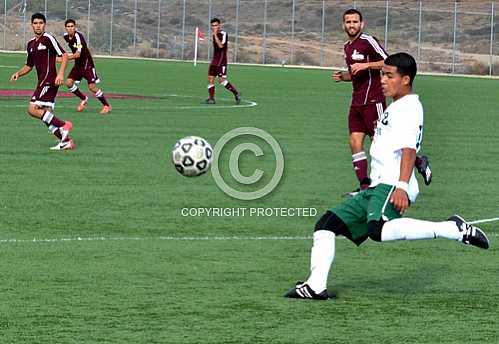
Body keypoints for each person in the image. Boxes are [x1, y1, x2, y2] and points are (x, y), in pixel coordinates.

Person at [285, 53, 489, 301]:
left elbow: (408, 149)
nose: (383, 80)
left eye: (389, 75)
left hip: (392, 183)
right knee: (326, 225)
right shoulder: (395, 106)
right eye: (382, 74)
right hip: (376, 185)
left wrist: (402, 186)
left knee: (377, 230)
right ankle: (316, 285)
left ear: (405, 80)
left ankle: (451, 229)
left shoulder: (410, 109)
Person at [333, 9, 432, 196]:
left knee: (381, 142)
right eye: (348, 22)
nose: (351, 25)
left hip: (374, 100)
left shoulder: (368, 41)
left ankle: (419, 162)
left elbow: (387, 61)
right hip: (357, 101)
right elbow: (357, 75)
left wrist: (366, 65)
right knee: (355, 142)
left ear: (362, 24)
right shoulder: (347, 46)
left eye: (355, 22)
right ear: (343, 25)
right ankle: (364, 187)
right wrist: (344, 76)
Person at [10, 12, 74, 151]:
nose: (38, 26)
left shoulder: (48, 38)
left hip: (50, 80)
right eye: (35, 23)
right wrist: (18, 74)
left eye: (41, 23)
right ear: (31, 25)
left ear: (44, 25)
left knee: (32, 109)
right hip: (42, 81)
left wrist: (61, 74)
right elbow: (29, 66)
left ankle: (64, 125)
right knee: (44, 114)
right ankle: (66, 141)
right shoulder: (31, 44)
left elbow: (63, 55)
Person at [63, 19, 111, 114]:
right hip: (78, 64)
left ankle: (107, 105)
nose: (70, 28)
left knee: (92, 87)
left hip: (87, 64)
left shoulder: (78, 37)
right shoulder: (65, 36)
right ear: (65, 28)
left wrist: (65, 58)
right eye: (68, 26)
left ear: (75, 27)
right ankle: (84, 98)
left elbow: (77, 54)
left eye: (72, 26)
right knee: (68, 83)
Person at [204, 18, 241, 105]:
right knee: (210, 78)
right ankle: (211, 99)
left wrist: (215, 35)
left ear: (219, 25)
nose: (214, 27)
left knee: (221, 81)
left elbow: (221, 46)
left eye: (216, 25)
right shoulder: (214, 34)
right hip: (214, 60)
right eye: (213, 26)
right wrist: (214, 34)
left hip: (221, 61)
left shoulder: (223, 34)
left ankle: (236, 93)